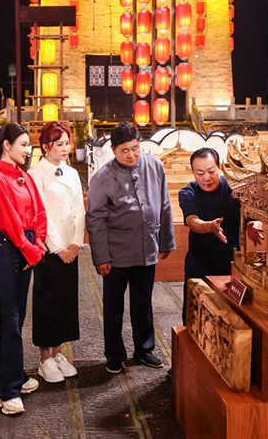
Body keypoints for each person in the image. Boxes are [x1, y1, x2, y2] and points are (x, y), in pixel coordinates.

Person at [86, 122, 175, 373]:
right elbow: (94, 219)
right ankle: (114, 355)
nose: (131, 155)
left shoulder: (154, 166)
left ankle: (144, 349)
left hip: (147, 249)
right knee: (113, 306)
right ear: (113, 150)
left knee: (143, 302)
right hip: (116, 254)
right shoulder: (103, 177)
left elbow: (164, 204)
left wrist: (166, 241)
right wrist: (100, 257)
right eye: (124, 150)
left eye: (135, 148)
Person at [0, 123, 48, 415]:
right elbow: (9, 223)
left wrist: (39, 242)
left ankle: (11, 376)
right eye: (23, 144)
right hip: (7, 250)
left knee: (17, 317)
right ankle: (7, 391)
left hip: (26, 247)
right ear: (6, 146)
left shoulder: (24, 176)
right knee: (10, 319)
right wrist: (31, 249)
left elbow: (40, 212)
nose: (28, 149)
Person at [178, 147, 263, 323]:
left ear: (220, 167)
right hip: (199, 262)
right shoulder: (188, 193)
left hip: (230, 263)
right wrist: (209, 226)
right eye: (200, 173)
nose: (206, 178)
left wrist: (253, 223)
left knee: (230, 316)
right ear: (193, 173)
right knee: (194, 315)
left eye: (211, 171)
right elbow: (192, 221)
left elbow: (251, 212)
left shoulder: (235, 189)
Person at [27, 122, 84, 383]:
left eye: (67, 143)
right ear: (45, 146)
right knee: (46, 300)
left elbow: (79, 210)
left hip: (70, 247)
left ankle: (59, 352)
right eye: (59, 144)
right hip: (48, 249)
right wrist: (59, 248)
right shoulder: (35, 174)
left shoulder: (71, 172)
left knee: (66, 300)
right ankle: (44, 358)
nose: (64, 148)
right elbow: (40, 214)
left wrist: (75, 243)